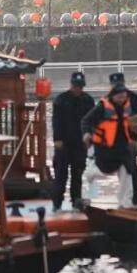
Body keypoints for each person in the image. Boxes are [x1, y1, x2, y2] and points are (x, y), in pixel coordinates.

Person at [80, 84, 137, 208]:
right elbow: (86, 121)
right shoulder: (102, 106)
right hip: (105, 147)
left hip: (123, 147)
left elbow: (131, 124)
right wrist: (86, 134)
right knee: (104, 170)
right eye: (119, 97)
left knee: (127, 171)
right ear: (113, 96)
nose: (122, 99)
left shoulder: (128, 106)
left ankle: (125, 202)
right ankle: (92, 171)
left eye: (124, 96)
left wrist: (135, 137)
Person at [50, 71, 95, 210]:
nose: (78, 89)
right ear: (71, 85)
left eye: (80, 87)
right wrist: (57, 139)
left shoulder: (88, 100)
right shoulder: (61, 100)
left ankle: (76, 201)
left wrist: (91, 139)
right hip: (63, 143)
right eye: (76, 86)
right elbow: (56, 121)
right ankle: (57, 203)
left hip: (80, 144)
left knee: (78, 175)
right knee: (60, 175)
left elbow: (92, 121)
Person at [108, 72, 137, 205]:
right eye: (115, 84)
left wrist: (136, 139)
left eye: (120, 84)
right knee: (120, 168)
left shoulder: (133, 98)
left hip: (130, 139)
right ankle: (125, 195)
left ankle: (136, 194)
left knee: (131, 166)